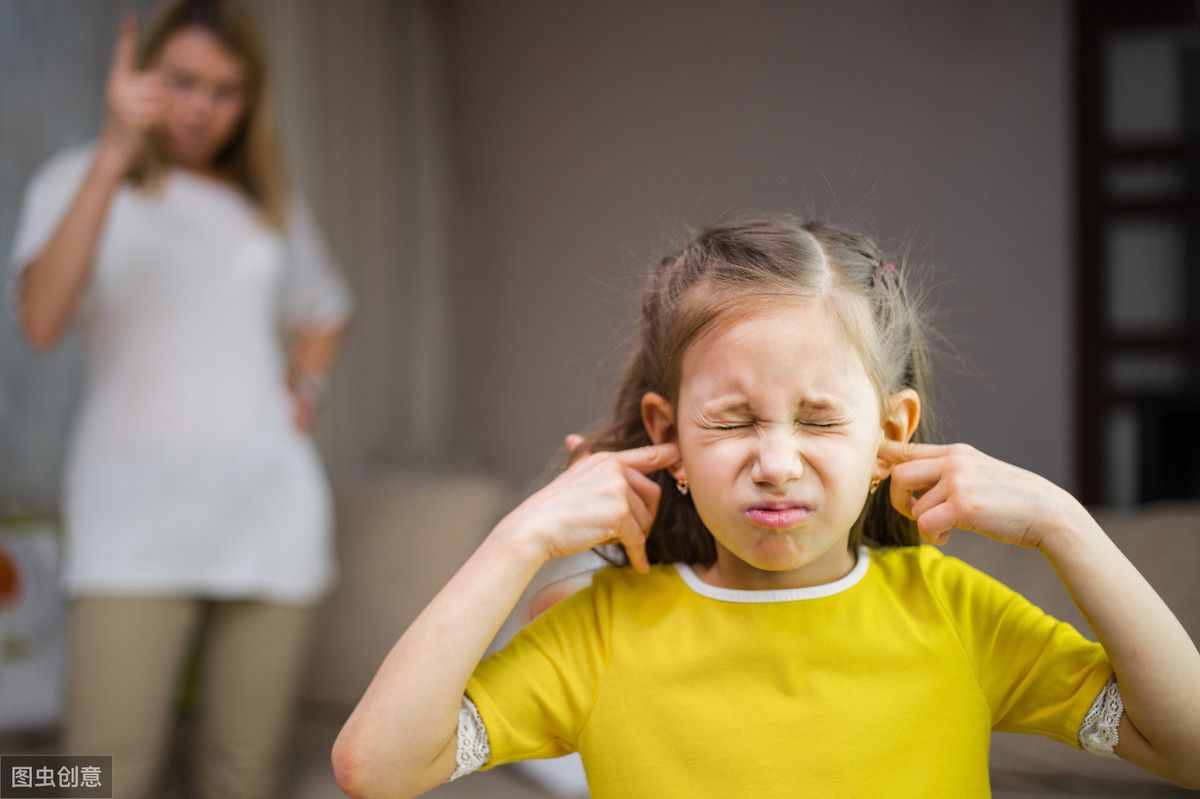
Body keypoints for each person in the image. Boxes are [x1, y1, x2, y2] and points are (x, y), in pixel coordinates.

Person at [330, 217, 1200, 797]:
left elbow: (1185, 744)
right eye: (733, 420)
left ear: (889, 434)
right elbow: (376, 766)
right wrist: (520, 536)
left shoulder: (956, 614)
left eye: (820, 419)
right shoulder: (599, 633)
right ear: (667, 436)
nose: (776, 463)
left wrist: (1065, 523)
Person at [7, 1, 354, 797]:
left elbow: (327, 309)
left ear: (250, 101)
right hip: (130, 520)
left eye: (226, 90)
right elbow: (40, 319)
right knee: (95, 774)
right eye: (183, 81)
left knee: (244, 774)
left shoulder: (266, 208)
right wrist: (113, 156)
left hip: (269, 513)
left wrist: (307, 384)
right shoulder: (76, 177)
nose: (202, 107)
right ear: (143, 76)